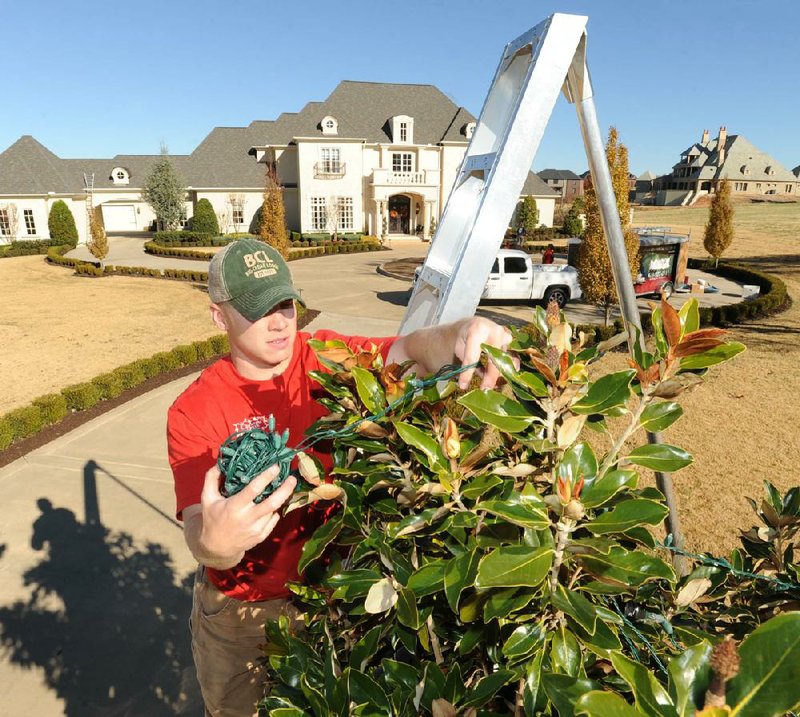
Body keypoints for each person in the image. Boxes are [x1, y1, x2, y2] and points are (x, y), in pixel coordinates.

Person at [167, 238, 512, 716]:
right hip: (241, 614)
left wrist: (461, 332)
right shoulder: (194, 410)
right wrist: (218, 544)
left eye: (285, 303)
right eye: (258, 309)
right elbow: (197, 532)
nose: (280, 321)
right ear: (219, 316)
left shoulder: (329, 356)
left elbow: (411, 350)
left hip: (337, 597)